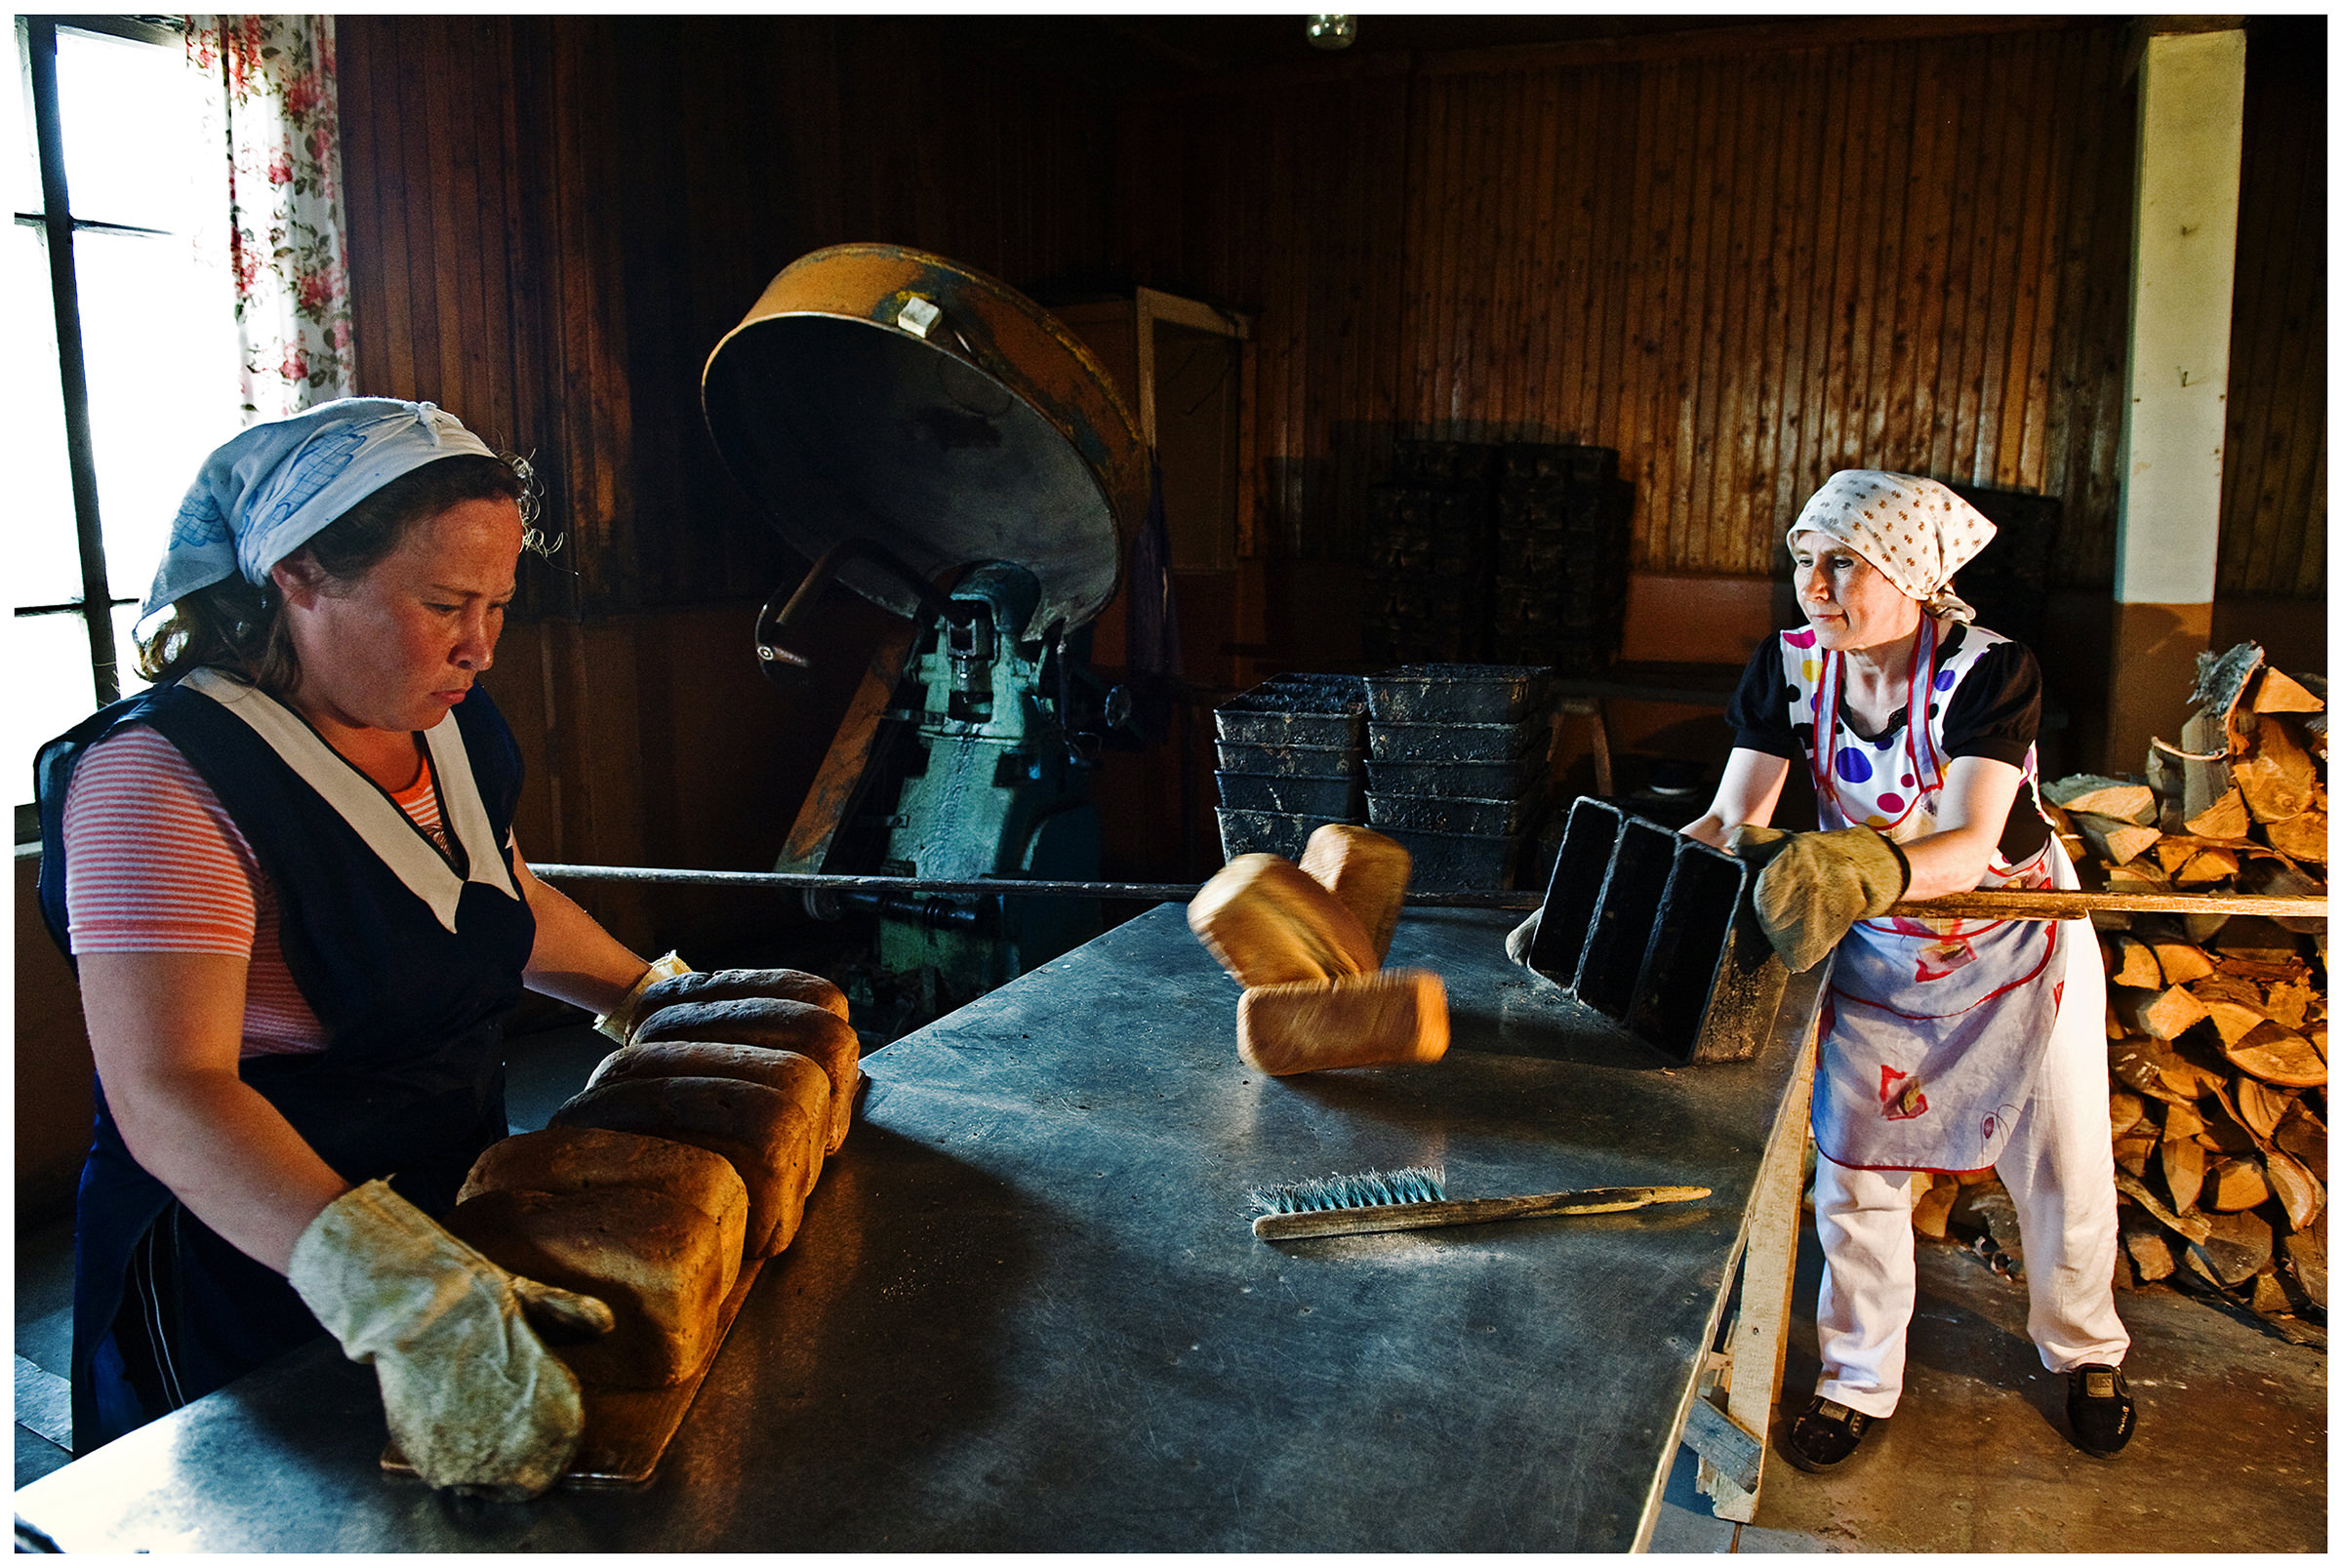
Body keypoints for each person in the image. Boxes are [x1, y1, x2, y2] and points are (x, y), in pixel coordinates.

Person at [34, 399, 693, 1498]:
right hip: (249, 1254)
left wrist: (654, 997)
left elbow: (491, 892)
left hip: (442, 1200)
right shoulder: (164, 781)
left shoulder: (444, 718)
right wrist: (389, 1283)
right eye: (442, 602)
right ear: (297, 573)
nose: (478, 645)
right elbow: (170, 1090)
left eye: (496, 603)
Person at [1680, 469, 2134, 1469]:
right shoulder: (1790, 667)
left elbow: (1972, 841)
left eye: (1845, 560)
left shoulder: (1988, 668)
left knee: (2059, 1163)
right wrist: (1638, 886)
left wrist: (1863, 863)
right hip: (1884, 944)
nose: (1817, 582)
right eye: (1805, 558)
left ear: (1916, 574)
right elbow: (1732, 817)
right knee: (1852, 1171)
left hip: (2015, 936)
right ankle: (1856, 1377)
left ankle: (2087, 1348)